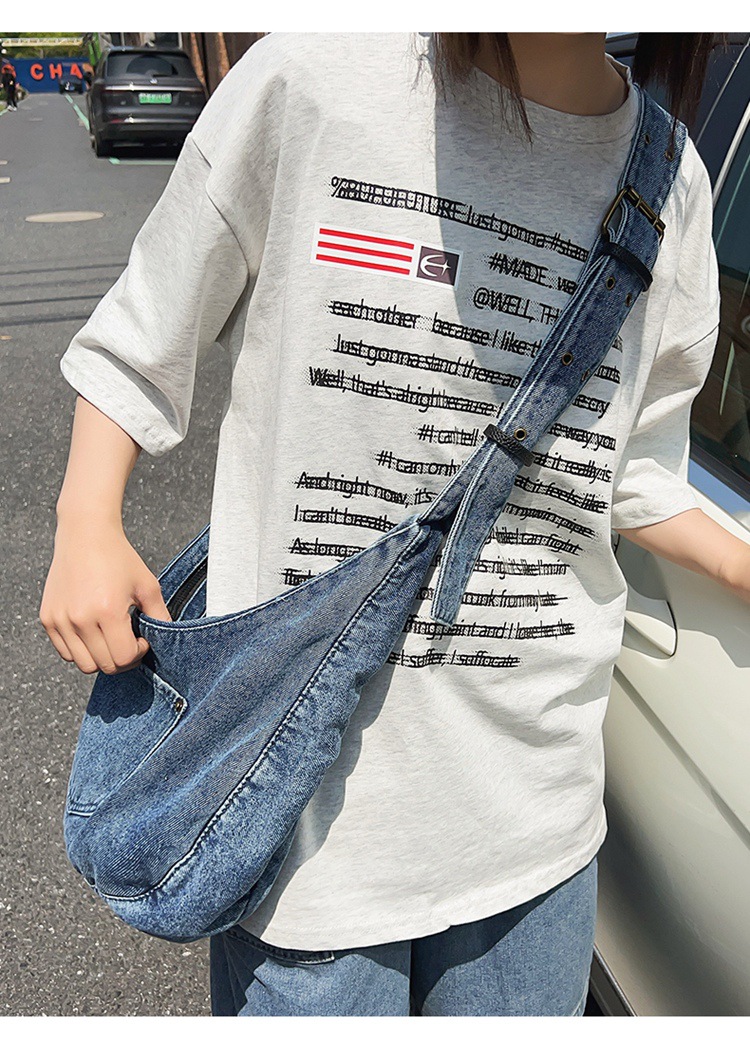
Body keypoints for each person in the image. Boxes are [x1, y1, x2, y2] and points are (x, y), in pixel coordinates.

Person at [40, 32, 750, 1017]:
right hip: (308, 817)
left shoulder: (672, 182)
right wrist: (85, 517)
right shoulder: (315, 77)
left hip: (538, 816)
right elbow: (143, 328)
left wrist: (740, 561)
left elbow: (628, 463)